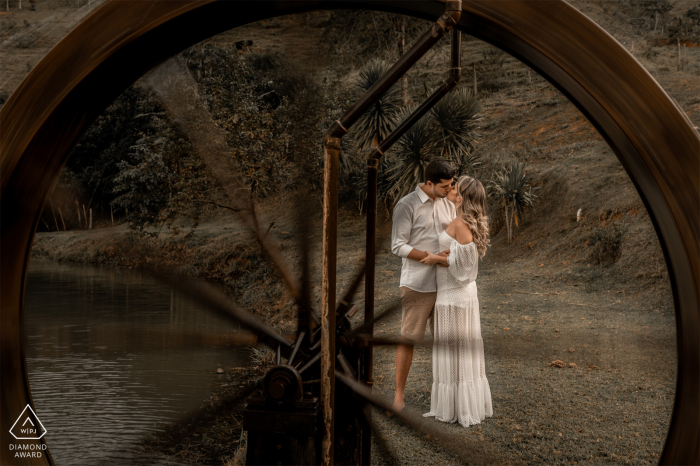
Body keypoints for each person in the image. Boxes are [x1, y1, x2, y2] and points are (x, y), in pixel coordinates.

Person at [420, 175, 493, 427]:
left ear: (462, 196)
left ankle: (458, 407)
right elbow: (462, 254)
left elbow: (465, 267)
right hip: (459, 295)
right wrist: (444, 254)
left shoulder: (461, 223)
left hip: (454, 296)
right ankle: (461, 403)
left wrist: (435, 259)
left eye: (455, 187)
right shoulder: (463, 222)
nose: (451, 189)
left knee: (457, 350)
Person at [390, 160, 456, 412]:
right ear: (429, 183)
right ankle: (399, 396)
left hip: (446, 284)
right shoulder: (407, 205)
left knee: (444, 340)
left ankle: (444, 395)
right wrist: (430, 257)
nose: (450, 189)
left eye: (451, 185)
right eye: (445, 186)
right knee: (408, 338)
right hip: (417, 283)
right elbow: (398, 245)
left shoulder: (449, 202)